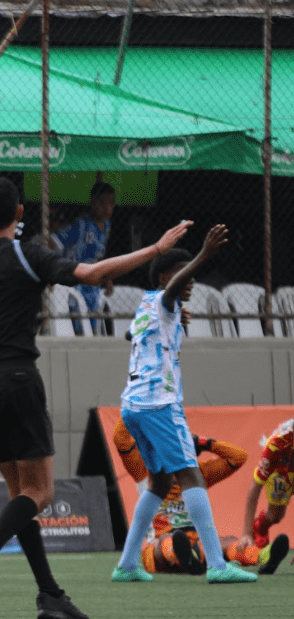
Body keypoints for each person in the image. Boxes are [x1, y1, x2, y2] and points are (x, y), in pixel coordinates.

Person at [0, 176, 193, 617]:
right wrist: (156, 250)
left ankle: (50, 595)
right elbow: (94, 274)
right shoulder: (30, 253)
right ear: (20, 214)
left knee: (19, 496)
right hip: (17, 380)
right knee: (39, 494)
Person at [110, 224, 256, 584]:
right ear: (164, 277)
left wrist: (175, 316)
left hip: (132, 405)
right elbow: (172, 292)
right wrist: (204, 255)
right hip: (160, 402)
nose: (189, 280)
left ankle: (127, 564)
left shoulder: (147, 305)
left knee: (159, 483)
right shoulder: (164, 297)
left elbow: (132, 332)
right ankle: (219, 567)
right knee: (190, 473)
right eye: (182, 273)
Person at [112, 418, 260, 574]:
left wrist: (206, 443)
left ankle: (260, 557)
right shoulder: (143, 469)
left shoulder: (198, 472)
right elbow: (120, 439)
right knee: (166, 539)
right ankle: (185, 558)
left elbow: (239, 457)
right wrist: (134, 411)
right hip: (160, 549)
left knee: (229, 541)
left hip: (197, 543)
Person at [53, 181, 116, 334]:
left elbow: (100, 257)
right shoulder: (81, 224)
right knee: (78, 326)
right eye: (102, 203)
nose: (107, 208)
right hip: (75, 281)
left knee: (94, 326)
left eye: (111, 203)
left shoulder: (106, 227)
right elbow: (54, 241)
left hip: (93, 282)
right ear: (92, 202)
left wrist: (107, 277)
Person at [236, 417, 294, 575]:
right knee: (276, 515)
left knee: (278, 515)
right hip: (282, 464)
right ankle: (258, 527)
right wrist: (246, 533)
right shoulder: (276, 445)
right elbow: (255, 488)